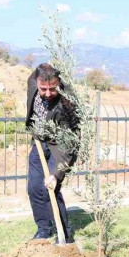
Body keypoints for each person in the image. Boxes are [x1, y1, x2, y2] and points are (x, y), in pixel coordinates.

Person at [25, 63, 79, 242]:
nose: (48, 93)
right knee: (34, 187)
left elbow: (72, 141)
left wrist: (56, 174)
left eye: (52, 89)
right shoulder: (32, 83)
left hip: (61, 147)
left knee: (50, 187)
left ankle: (64, 233)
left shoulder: (68, 100)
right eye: (43, 89)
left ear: (59, 83)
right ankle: (43, 229)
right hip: (39, 141)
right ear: (37, 82)